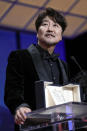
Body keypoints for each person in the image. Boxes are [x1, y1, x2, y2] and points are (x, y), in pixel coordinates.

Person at [4, 7, 69, 130]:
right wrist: (20, 107)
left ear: (61, 36)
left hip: (59, 126)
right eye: (45, 24)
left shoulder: (63, 65)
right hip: (31, 125)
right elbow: (12, 90)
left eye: (55, 26)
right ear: (37, 32)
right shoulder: (20, 56)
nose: (50, 29)